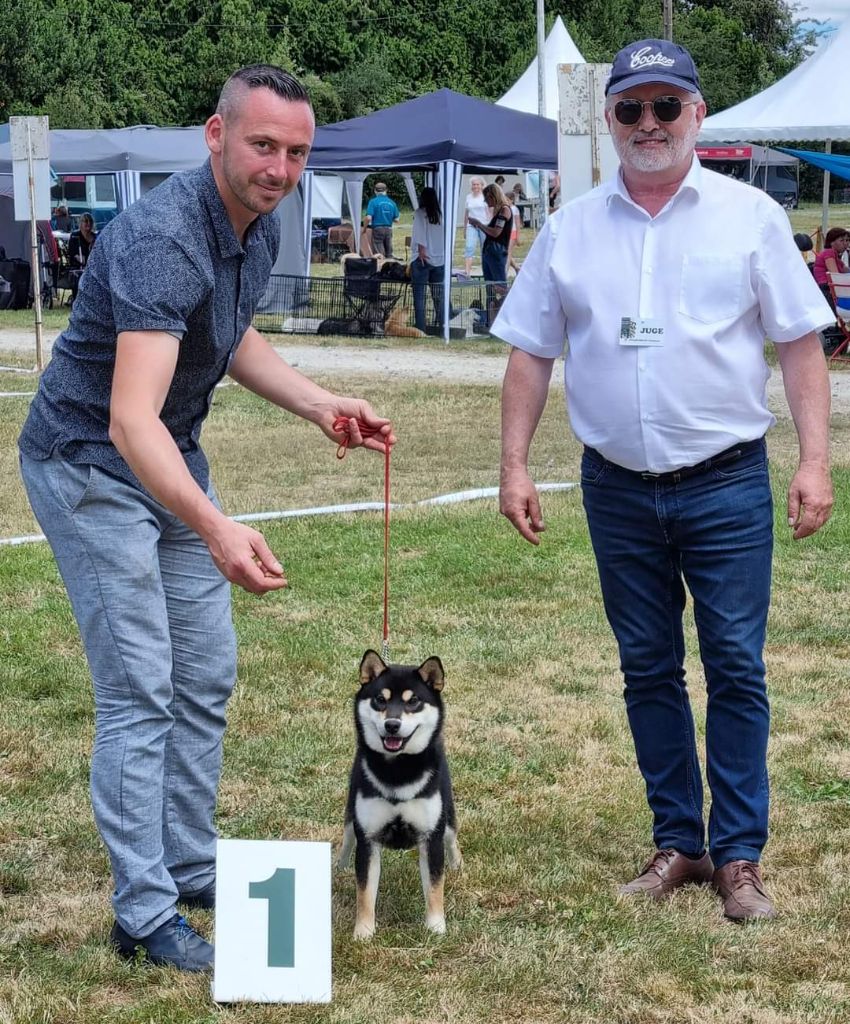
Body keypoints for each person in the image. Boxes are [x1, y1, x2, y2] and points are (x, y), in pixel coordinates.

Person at [18, 64, 394, 973]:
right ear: (216, 136)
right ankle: (142, 914)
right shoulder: (161, 237)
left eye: (297, 152)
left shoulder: (254, 230)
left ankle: (188, 861)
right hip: (89, 465)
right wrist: (219, 528)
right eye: (263, 144)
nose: (280, 167)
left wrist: (316, 402)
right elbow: (128, 419)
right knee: (141, 685)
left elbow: (228, 337)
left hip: (165, 457)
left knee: (207, 672)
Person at [494, 38, 834, 923]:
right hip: (615, 487)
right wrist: (515, 464)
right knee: (647, 668)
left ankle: (740, 858)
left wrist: (813, 460)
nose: (648, 125)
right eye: (630, 109)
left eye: (665, 107)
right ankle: (678, 841)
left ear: (697, 113)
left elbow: (800, 342)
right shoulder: (569, 228)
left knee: (734, 668)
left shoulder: (750, 216)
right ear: (608, 121)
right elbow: (532, 354)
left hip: (725, 484)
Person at [410, 186, 445, 333]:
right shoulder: (440, 214)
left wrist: (421, 251)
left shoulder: (420, 213)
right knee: (438, 295)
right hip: (439, 258)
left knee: (419, 295)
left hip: (422, 258)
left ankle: (420, 326)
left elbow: (419, 234)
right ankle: (443, 324)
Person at [812, 226, 849, 307]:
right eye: (842, 240)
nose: (846, 243)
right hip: (827, 289)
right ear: (831, 242)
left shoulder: (837, 259)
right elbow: (835, 275)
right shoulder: (829, 253)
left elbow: (847, 271)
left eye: (847, 240)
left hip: (833, 288)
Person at [66, 213, 98, 302]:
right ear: (80, 223)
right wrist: (79, 258)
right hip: (78, 267)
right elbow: (72, 253)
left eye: (90, 221)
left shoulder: (96, 237)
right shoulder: (75, 236)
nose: (88, 223)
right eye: (85, 221)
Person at [364, 181, 399, 258]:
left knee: (379, 254)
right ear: (386, 190)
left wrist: (364, 228)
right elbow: (397, 220)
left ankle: (381, 267)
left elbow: (368, 217)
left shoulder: (373, 202)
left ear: (375, 191)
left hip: (377, 229)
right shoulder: (392, 202)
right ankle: (390, 266)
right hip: (389, 229)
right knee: (389, 251)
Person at [462, 176, 488, 277]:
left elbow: (489, 213)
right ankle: (467, 272)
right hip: (471, 226)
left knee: (484, 249)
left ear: (481, 186)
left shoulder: (485, 196)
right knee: (469, 247)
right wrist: (464, 228)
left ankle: (486, 270)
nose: (475, 186)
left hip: (484, 225)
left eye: (477, 184)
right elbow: (466, 213)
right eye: (473, 184)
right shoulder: (468, 197)